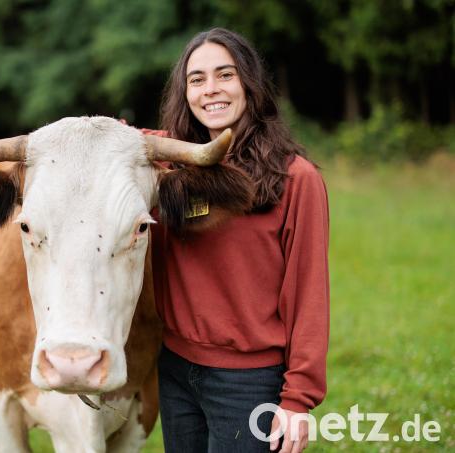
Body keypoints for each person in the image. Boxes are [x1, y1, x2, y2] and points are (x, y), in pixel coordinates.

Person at [144, 28, 330, 453]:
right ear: (185, 93)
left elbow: (309, 292)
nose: (211, 89)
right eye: (197, 79)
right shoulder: (169, 166)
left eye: (225, 75)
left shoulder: (295, 178)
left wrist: (298, 398)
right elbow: (118, 137)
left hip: (249, 381)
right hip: (174, 369)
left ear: (249, 83)